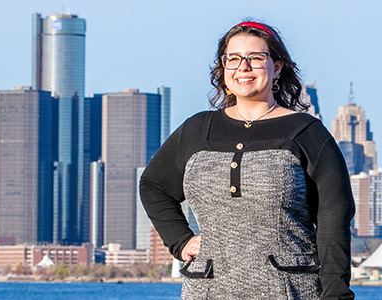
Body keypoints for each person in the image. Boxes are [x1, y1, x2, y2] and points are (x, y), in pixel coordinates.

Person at [139, 21, 355, 299]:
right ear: (223, 68)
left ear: (277, 67)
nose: (243, 67)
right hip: (207, 290)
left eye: (256, 57)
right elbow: (153, 185)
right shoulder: (196, 130)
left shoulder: (306, 132)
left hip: (288, 291)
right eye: (233, 58)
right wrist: (180, 241)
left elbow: (333, 218)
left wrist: (336, 295)